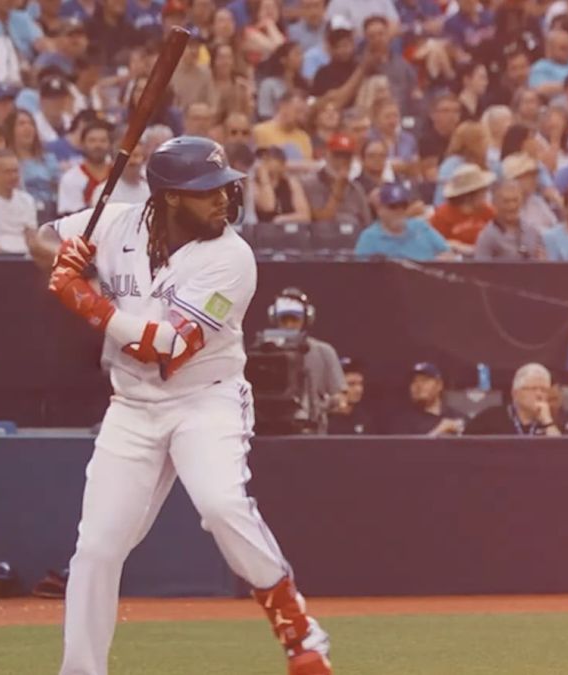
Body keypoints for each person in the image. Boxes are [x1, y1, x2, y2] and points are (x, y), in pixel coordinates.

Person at [34, 136, 332, 675]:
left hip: (205, 399)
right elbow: (41, 238)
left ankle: (297, 627)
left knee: (220, 504)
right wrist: (69, 258)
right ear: (169, 197)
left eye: (224, 187)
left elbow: (166, 347)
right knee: (97, 548)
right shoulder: (118, 223)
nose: (223, 199)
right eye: (206, 191)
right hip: (132, 406)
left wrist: (87, 299)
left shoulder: (233, 257)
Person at [265, 287, 346, 434]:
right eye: (284, 319)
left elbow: (340, 396)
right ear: (275, 319)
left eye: (294, 319)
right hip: (271, 431)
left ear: (306, 319)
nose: (289, 325)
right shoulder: (263, 353)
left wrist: (318, 406)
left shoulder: (324, 351)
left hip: (313, 433)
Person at [355, 183, 453, 260]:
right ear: (380, 210)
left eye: (403, 206)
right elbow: (360, 273)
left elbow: (447, 253)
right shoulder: (370, 237)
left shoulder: (420, 227)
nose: (399, 211)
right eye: (393, 207)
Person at [464, 364, 563, 436]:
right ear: (515, 393)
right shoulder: (488, 419)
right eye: (533, 389)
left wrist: (547, 422)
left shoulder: (554, 421)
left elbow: (560, 454)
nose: (539, 394)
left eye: (544, 390)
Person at [302, 133, 371, 230]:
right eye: (337, 156)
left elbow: (367, 224)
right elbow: (320, 220)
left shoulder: (356, 188)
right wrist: (338, 191)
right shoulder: (310, 183)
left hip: (352, 239)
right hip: (323, 240)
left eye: (347, 157)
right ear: (326, 154)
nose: (342, 161)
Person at [384, 362, 466, 436]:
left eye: (425, 380)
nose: (418, 386)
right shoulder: (401, 421)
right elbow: (404, 451)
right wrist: (438, 431)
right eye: (414, 381)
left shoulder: (458, 417)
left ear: (439, 385)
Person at [474, 180, 546, 261]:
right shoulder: (487, 237)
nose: (512, 206)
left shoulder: (532, 231)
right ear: (494, 203)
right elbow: (481, 271)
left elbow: (542, 265)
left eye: (515, 200)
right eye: (506, 201)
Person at [57, 119, 113, 216]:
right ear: (82, 144)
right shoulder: (70, 178)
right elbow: (69, 218)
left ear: (110, 145)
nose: (98, 145)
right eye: (92, 140)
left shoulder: (120, 175)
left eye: (103, 141)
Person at [327, 357, 371, 434]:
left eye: (360, 384)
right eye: (351, 384)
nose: (358, 389)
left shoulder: (364, 419)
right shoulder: (322, 419)